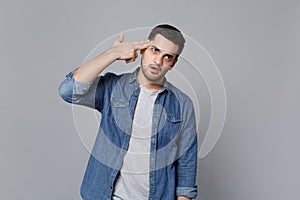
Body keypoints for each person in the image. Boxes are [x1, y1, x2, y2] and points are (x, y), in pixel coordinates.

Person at [59, 24, 198, 200]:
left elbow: (187, 162)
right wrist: (112, 54)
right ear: (143, 49)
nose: (158, 61)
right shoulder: (113, 87)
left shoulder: (182, 104)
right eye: (154, 50)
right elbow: (68, 91)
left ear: (173, 63)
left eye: (167, 57)